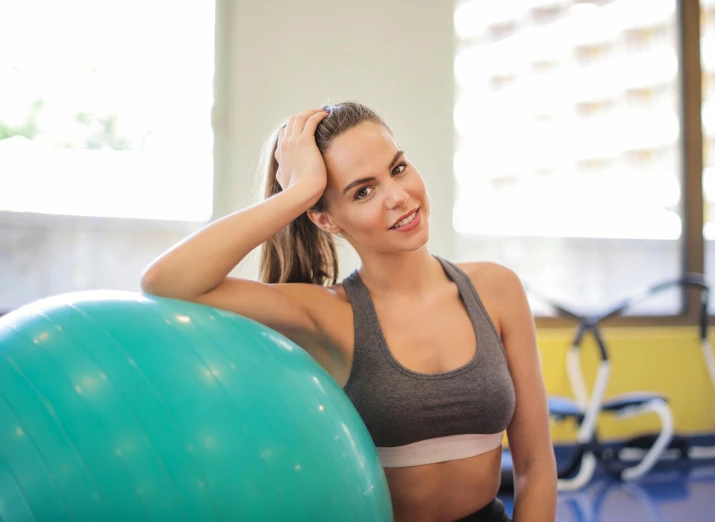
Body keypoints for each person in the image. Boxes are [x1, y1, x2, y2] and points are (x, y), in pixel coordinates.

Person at [141, 102, 557, 521]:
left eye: (398, 168)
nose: (399, 197)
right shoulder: (326, 315)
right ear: (325, 220)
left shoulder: (495, 289)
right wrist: (299, 192)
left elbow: (535, 465)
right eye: (363, 191)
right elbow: (168, 282)